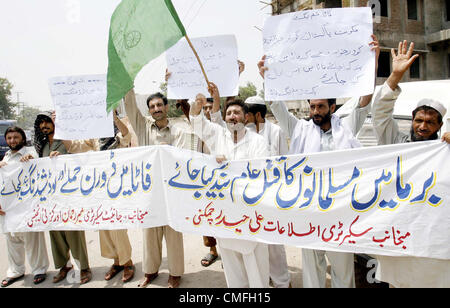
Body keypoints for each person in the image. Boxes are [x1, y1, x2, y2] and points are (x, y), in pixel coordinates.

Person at [257, 35, 380, 288]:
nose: (315, 112)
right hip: (309, 210)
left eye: (321, 107)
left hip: (340, 210)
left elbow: (364, 101)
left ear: (332, 108)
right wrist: (267, 78)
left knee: (343, 271)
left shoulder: (346, 126)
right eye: (312, 106)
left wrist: (373, 61)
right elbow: (278, 108)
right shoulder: (300, 129)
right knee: (312, 270)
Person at [371, 40, 450, 288]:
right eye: (418, 120)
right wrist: (395, 76)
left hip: (433, 237)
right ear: (412, 121)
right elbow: (381, 113)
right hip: (400, 232)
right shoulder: (395, 142)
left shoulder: (445, 150)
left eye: (430, 122)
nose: (423, 126)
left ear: (439, 126)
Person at [190, 82, 271, 288]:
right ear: (224, 119)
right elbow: (197, 123)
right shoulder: (217, 135)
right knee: (233, 272)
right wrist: (197, 106)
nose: (232, 116)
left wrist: (227, 167)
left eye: (237, 113)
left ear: (245, 117)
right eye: (229, 114)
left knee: (257, 271)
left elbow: (259, 173)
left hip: (251, 213)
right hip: (224, 214)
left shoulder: (258, 142)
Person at [124, 89, 195, 288]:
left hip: (172, 191)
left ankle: (175, 274)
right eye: (152, 107)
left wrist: (167, 151)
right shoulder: (144, 127)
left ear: (166, 107)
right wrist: (127, 85)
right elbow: (130, 107)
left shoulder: (179, 130)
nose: (156, 109)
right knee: (150, 234)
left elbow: (181, 157)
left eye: (159, 105)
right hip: (150, 191)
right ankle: (150, 271)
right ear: (149, 110)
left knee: (173, 235)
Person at [33, 111, 92, 285]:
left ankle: (83, 268)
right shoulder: (42, 147)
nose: (44, 126)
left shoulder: (66, 142)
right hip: (51, 197)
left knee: (74, 232)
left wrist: (62, 157)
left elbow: (79, 159)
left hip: (69, 194)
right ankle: (64, 267)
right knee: (56, 234)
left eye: (47, 123)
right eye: (41, 124)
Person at [0, 126, 49, 287]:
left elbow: (39, 167)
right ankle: (16, 271)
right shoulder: (5, 158)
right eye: (9, 138)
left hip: (27, 206)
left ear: (22, 138)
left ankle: (39, 270)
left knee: (33, 240)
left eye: (15, 137)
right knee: (12, 240)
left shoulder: (30, 152)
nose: (12, 141)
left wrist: (30, 159)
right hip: (9, 208)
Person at [98, 111, 135, 283]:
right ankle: (117, 262)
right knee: (105, 228)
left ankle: (127, 262)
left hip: (119, 187)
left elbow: (126, 135)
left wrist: (112, 117)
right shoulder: (94, 139)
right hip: (98, 187)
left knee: (118, 227)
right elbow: (75, 149)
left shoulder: (118, 135)